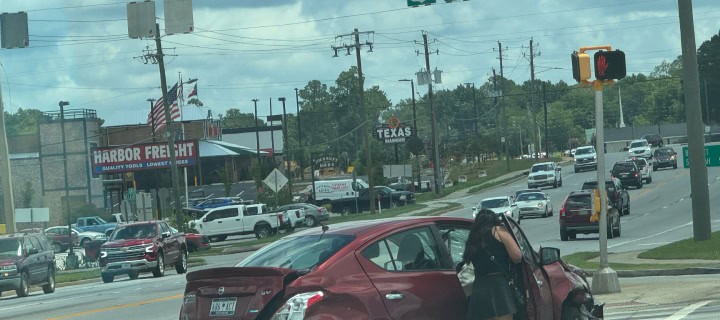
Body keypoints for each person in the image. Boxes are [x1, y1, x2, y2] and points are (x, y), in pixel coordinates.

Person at [463, 209, 523, 320]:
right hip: (498, 287)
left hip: (478, 288)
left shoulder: (473, 238)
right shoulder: (498, 230)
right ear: (495, 220)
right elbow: (517, 256)